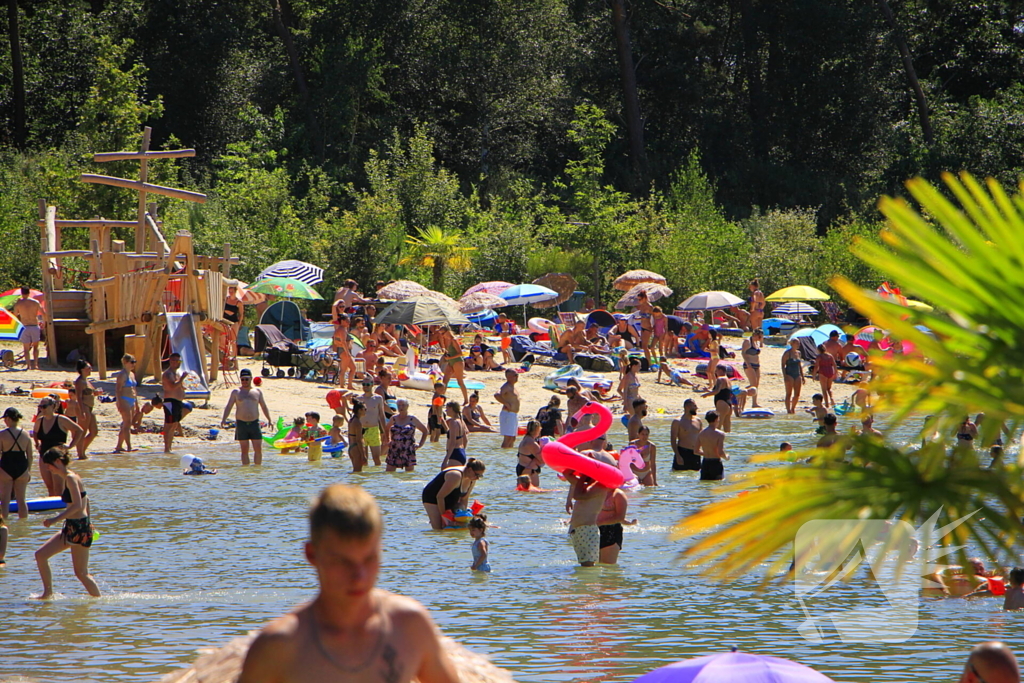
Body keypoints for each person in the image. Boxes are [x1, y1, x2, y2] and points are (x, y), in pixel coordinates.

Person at [238, 484, 460, 683]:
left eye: (369, 559)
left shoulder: (409, 625)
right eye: (343, 562)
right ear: (311, 555)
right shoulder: (280, 645)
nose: (359, 576)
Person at [34, 446, 101, 598]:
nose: (48, 468)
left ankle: (98, 603)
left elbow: (77, 505)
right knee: (40, 555)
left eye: (49, 464)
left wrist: (54, 519)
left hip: (79, 528)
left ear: (58, 461)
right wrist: (89, 521)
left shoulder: (70, 478)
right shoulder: (71, 477)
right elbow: (86, 500)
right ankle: (47, 593)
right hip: (75, 526)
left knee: (81, 573)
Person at [563, 453, 617, 567]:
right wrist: (582, 463)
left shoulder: (600, 486)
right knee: (584, 565)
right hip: (578, 530)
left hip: (587, 530)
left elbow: (577, 495)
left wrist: (584, 473)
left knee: (588, 566)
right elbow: (566, 473)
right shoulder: (585, 485)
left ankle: (591, 585)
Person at [32, 396, 83, 496]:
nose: (42, 409)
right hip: (44, 455)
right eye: (40, 407)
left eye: (44, 406)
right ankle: (52, 510)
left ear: (53, 406)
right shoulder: (40, 420)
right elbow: (35, 433)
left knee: (59, 488)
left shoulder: (61, 419)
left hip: (58, 457)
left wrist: (71, 446)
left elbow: (79, 430)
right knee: (50, 487)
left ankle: (61, 509)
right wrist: (37, 444)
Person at [221, 368, 273, 465]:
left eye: (246, 379)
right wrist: (223, 419)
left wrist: (269, 419)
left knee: (258, 449)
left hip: (254, 423)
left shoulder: (257, 391)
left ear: (251, 379)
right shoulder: (236, 392)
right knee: (244, 450)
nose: (244, 381)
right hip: (241, 424)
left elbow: (263, 406)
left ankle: (257, 471)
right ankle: (245, 472)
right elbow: (229, 406)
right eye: (242, 379)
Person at [421, 458, 486, 530]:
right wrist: (444, 517)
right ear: (470, 469)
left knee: (458, 526)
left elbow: (464, 498)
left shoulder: (472, 479)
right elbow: (440, 497)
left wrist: (463, 516)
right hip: (432, 496)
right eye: (477, 475)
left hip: (450, 496)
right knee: (439, 528)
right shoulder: (456, 476)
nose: (477, 478)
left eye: (480, 476)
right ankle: (434, 520)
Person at [1, 407, 33, 522]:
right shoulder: (25, 434)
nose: (4, 421)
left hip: (6, 467)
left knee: (5, 501)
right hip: (22, 468)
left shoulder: (2, 434)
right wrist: (28, 471)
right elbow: (30, 456)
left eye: (5, 419)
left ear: (9, 419)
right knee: (21, 500)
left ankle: (3, 526)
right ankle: (23, 527)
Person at [597, 486, 637, 565]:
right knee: (593, 565)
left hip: (611, 531)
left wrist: (599, 522)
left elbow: (619, 517)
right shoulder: (596, 491)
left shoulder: (618, 494)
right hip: (594, 530)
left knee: (608, 565)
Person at [385, 399, 426, 473]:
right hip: (394, 448)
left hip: (408, 449)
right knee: (389, 472)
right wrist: (388, 440)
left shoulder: (412, 419)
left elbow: (425, 431)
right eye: (399, 405)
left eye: (403, 405)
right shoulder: (394, 418)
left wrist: (420, 444)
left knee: (409, 474)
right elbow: (386, 428)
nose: (401, 407)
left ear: (407, 406)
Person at [72, 358, 99, 459]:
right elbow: (78, 397)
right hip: (83, 407)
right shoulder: (79, 382)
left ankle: (82, 449)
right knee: (82, 431)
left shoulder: (87, 381)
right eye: (88, 368)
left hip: (90, 407)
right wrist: (82, 411)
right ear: (82, 369)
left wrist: (95, 393)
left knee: (94, 431)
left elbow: (90, 392)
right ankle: (80, 454)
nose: (90, 370)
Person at [114, 354, 140, 453]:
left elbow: (134, 389)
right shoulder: (122, 375)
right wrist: (119, 403)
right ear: (125, 362)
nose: (134, 364)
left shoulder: (132, 374)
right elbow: (118, 390)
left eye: (135, 362)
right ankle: (129, 446)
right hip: (124, 399)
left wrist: (137, 403)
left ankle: (119, 446)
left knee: (127, 423)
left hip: (132, 399)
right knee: (127, 423)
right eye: (132, 362)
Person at [436, 327, 469, 405]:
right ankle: (441, 399)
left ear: (447, 332)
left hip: (458, 361)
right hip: (451, 361)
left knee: (460, 382)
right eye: (441, 334)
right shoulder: (446, 340)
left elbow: (460, 353)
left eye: (443, 333)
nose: (442, 335)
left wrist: (450, 357)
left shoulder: (453, 340)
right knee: (445, 380)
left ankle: (466, 400)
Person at [12, 287, 43, 370]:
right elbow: (43, 313)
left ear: (21, 293)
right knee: (36, 347)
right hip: (34, 325)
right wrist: (44, 323)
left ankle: (28, 365)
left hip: (24, 326)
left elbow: (14, 315)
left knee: (26, 348)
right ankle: (35, 364)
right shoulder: (35, 302)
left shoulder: (19, 303)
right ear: (29, 293)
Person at [358, 379, 387, 467]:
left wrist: (385, 432)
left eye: (367, 384)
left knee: (376, 459)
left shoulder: (378, 398)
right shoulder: (359, 399)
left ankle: (377, 477)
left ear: (372, 385)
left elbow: (381, 416)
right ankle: (365, 477)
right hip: (361, 430)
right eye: (363, 384)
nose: (365, 386)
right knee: (363, 459)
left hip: (374, 429)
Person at [670, 399, 703, 471]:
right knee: (679, 474)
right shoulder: (678, 421)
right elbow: (673, 439)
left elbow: (701, 438)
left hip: (696, 453)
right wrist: (678, 455)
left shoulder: (698, 421)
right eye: (694, 406)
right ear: (687, 406)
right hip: (683, 452)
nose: (696, 408)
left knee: (696, 475)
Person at [697, 410, 729, 481]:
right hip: (715, 463)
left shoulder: (701, 433)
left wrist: (706, 453)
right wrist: (726, 457)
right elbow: (720, 452)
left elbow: (696, 451)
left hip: (705, 463)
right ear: (716, 419)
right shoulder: (720, 434)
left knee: (704, 484)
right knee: (717, 485)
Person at [702, 366, 734, 433]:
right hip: (729, 404)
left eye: (716, 370)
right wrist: (708, 390)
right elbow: (723, 390)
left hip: (722, 404)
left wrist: (706, 395)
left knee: (717, 426)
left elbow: (717, 391)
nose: (715, 372)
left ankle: (715, 441)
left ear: (721, 370)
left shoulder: (720, 379)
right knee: (727, 430)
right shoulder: (728, 380)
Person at [494, 368, 520, 449]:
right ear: (509, 376)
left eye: (517, 375)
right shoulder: (506, 386)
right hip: (508, 414)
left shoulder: (512, 387)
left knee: (513, 438)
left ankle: (508, 456)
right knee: (508, 438)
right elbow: (496, 395)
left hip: (513, 414)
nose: (517, 377)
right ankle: (502, 454)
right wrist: (506, 403)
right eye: (515, 375)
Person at [515, 420, 543, 488]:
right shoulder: (532, 443)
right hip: (530, 471)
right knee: (534, 492)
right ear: (537, 429)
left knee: (522, 491)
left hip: (521, 467)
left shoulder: (525, 439)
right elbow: (542, 460)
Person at [442, 401, 468, 468]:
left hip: (454, 455)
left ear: (451, 409)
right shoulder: (461, 421)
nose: (446, 411)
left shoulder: (453, 422)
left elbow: (453, 443)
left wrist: (445, 460)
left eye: (447, 409)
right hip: (461, 452)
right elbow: (465, 440)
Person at [782, 338, 804, 414]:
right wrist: (785, 376)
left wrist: (802, 376)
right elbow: (783, 365)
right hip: (789, 374)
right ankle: (788, 410)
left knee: (797, 394)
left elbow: (799, 365)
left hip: (797, 374)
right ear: (792, 344)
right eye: (797, 343)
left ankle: (793, 408)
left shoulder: (799, 353)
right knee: (789, 393)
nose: (798, 345)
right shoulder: (787, 353)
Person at [813, 344, 837, 408]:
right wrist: (835, 373)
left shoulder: (819, 356)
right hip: (830, 371)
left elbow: (816, 366)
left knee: (824, 390)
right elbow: (834, 365)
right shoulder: (830, 355)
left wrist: (814, 375)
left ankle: (827, 404)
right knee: (829, 388)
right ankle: (832, 398)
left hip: (823, 372)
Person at [347, 401, 367, 472]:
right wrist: (363, 454)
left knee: (355, 471)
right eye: (365, 409)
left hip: (351, 447)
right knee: (358, 472)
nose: (366, 411)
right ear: (360, 410)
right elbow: (359, 439)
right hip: (356, 448)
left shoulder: (351, 420)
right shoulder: (357, 422)